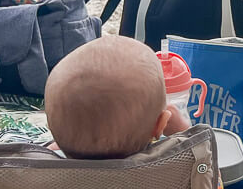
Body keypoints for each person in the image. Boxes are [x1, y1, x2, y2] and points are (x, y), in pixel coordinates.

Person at [45, 35, 191, 159]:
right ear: (160, 126)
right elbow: (204, 166)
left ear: (50, 127)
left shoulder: (37, 174)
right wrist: (184, 132)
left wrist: (49, 150)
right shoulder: (168, 169)